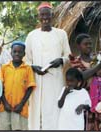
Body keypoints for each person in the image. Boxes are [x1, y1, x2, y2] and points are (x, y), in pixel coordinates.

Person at [25, 2, 71, 130]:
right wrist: (34, 67)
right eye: (42, 15)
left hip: (55, 79)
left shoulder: (61, 34)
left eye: (48, 15)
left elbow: (68, 56)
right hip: (37, 79)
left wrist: (61, 60)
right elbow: (27, 59)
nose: (45, 18)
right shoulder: (31, 35)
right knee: (37, 109)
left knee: (55, 107)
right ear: (38, 17)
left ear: (52, 16)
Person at [0, 41, 36, 130]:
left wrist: (21, 104)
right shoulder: (4, 68)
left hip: (20, 109)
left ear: (24, 54)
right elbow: (0, 87)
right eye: (15, 51)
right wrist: (5, 103)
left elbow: (30, 88)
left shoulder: (28, 68)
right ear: (11, 52)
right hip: (5, 107)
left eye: (20, 52)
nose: (17, 54)